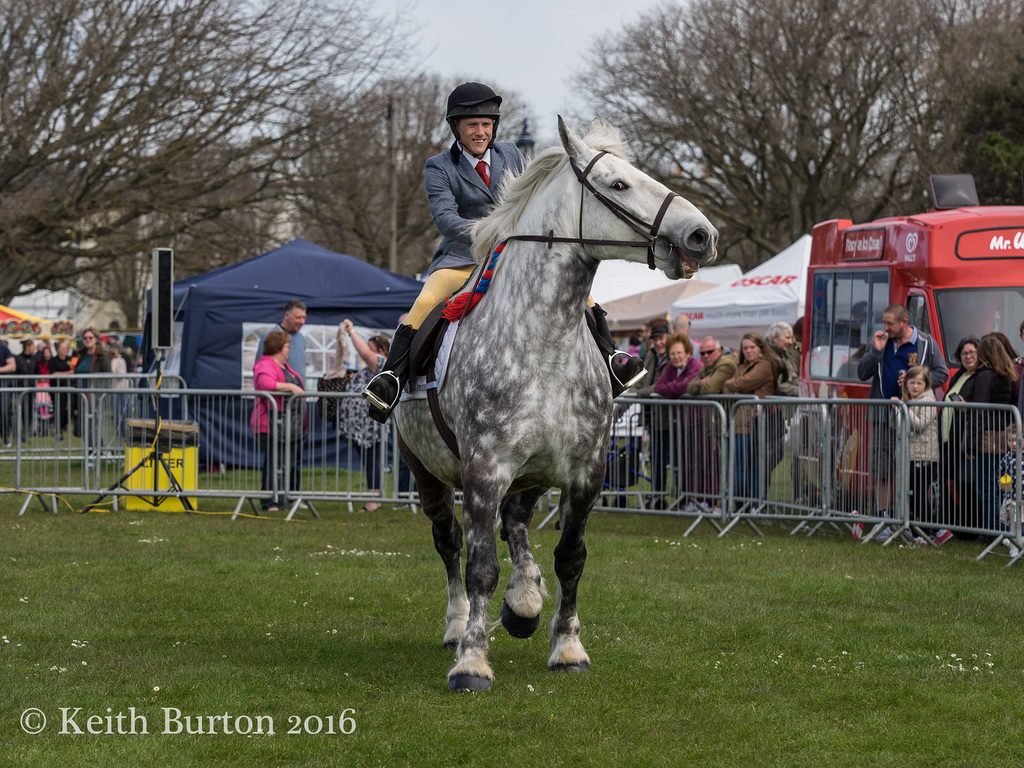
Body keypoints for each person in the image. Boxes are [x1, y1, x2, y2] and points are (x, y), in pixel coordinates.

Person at [362, 82, 645, 423]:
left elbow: (532, 197)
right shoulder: (438, 166)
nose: (480, 132)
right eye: (472, 125)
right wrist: (480, 230)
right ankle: (391, 379)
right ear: (457, 128)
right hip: (462, 257)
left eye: (486, 124)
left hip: (512, 254)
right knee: (425, 301)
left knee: (581, 295)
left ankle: (612, 358)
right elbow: (445, 217)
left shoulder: (511, 154)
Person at [856, 303, 948, 516]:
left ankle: (915, 521)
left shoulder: (925, 343)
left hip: (914, 420)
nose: (885, 327)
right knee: (883, 470)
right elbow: (862, 373)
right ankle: (883, 518)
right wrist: (875, 352)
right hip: (884, 416)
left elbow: (942, 374)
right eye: (884, 322)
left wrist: (917, 381)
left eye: (890, 323)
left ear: (904, 322)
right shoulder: (881, 342)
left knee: (915, 474)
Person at [962, 334, 1017, 534]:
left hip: (985, 439)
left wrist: (970, 444)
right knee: (997, 489)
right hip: (1000, 439)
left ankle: (990, 532)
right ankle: (1000, 530)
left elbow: (978, 412)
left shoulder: (985, 376)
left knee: (986, 490)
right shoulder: (1005, 377)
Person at [251, 329, 306, 512]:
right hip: (269, 422)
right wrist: (290, 386)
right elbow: (265, 385)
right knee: (275, 461)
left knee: (286, 462)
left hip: (289, 424)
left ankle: (284, 499)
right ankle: (270, 502)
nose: (289, 349)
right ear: (277, 347)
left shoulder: (284, 366)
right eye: (287, 346)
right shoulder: (265, 364)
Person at [339, 320, 390, 512]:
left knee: (371, 460)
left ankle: (373, 500)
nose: (366, 353)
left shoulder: (381, 363)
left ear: (380, 351)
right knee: (368, 461)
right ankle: (373, 498)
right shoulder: (368, 369)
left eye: (371, 349)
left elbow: (364, 354)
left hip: (369, 425)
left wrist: (351, 331)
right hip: (358, 426)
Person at [723, 333, 780, 503]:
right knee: (741, 466)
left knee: (751, 467)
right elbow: (728, 390)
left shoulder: (764, 366)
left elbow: (739, 384)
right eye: (745, 348)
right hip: (739, 423)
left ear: (760, 348)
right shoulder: (741, 367)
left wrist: (733, 384)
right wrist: (734, 385)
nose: (748, 351)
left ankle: (741, 503)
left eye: (752, 347)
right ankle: (741, 504)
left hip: (755, 423)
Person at [655, 332, 702, 507]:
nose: (675, 357)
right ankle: (686, 498)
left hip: (697, 421)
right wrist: (675, 389)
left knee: (698, 462)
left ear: (688, 353)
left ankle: (699, 499)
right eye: (672, 354)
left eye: (679, 353)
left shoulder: (695, 365)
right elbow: (660, 386)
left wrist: (672, 388)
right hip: (681, 422)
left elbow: (687, 386)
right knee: (683, 462)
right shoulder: (671, 369)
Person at [941, 336, 980, 531]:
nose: (968, 356)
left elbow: (980, 408)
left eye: (972, 352)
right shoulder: (958, 375)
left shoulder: (979, 377)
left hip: (965, 439)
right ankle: (952, 525)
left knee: (965, 482)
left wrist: (967, 409)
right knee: (949, 480)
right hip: (949, 437)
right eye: (964, 353)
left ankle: (970, 528)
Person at [894, 366, 939, 527]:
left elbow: (919, 425)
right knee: (911, 495)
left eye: (919, 383)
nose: (915, 387)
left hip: (924, 456)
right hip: (909, 454)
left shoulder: (928, 401)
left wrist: (903, 408)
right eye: (911, 382)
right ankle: (920, 529)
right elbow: (897, 426)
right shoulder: (909, 401)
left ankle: (929, 531)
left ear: (926, 385)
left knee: (919, 495)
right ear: (906, 383)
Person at [73, 329, 111, 444]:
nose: (87, 340)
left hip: (95, 396)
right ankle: (96, 450)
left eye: (90, 337)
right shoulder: (82, 355)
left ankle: (96, 451)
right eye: (85, 338)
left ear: (96, 339)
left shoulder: (102, 356)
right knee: (82, 426)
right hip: (81, 396)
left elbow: (108, 375)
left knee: (90, 425)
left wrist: (101, 393)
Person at [256, 300, 307, 380]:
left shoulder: (301, 338)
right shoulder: (269, 337)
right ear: (287, 315)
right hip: (278, 390)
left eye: (304, 317)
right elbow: (259, 366)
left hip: (299, 391)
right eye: (298, 318)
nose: (302, 321)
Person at [49, 340, 73, 442]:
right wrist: (69, 373)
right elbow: (53, 374)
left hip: (70, 389)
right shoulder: (53, 360)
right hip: (57, 390)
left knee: (71, 410)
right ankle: (59, 433)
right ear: (58, 350)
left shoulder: (70, 359)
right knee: (59, 411)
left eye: (66, 348)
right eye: (63, 348)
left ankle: (65, 425)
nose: (65, 350)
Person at [0, 338, 15, 446]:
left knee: (4, 413)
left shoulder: (3, 348)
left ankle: (5, 438)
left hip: (3, 385)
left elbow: (12, 366)